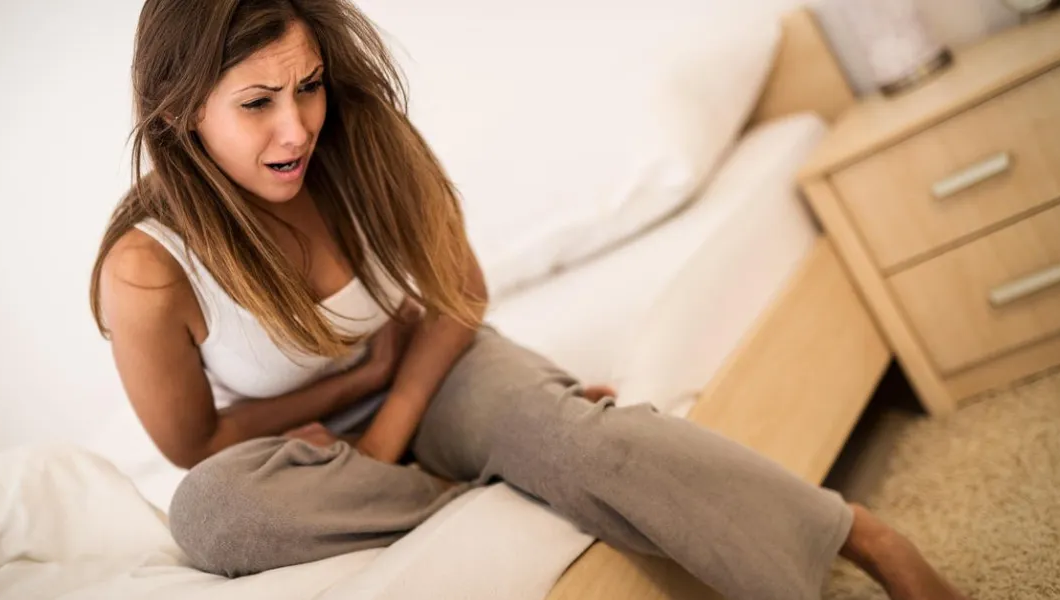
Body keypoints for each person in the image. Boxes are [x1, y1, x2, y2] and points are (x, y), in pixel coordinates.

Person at [91, 1, 966, 598]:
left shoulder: (362, 142)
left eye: (308, 86)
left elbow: (459, 290)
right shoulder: (147, 271)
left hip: (439, 364)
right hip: (297, 449)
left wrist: (395, 415)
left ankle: (863, 537)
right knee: (209, 515)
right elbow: (194, 444)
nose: (298, 127)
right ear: (178, 113)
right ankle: (497, 480)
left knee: (587, 449)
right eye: (257, 103)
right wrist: (341, 396)